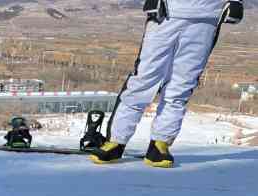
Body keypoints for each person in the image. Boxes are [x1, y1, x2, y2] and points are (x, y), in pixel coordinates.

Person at [92, 0, 244, 167]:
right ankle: (116, 141)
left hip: (208, 17)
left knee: (182, 84)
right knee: (144, 79)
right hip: (167, 12)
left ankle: (160, 144)